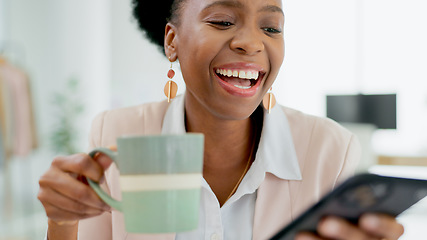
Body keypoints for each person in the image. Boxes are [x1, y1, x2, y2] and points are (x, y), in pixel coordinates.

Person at [37, 0, 405, 239]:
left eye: (271, 27)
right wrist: (63, 219)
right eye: (223, 21)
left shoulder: (330, 148)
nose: (251, 42)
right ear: (172, 41)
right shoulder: (117, 132)